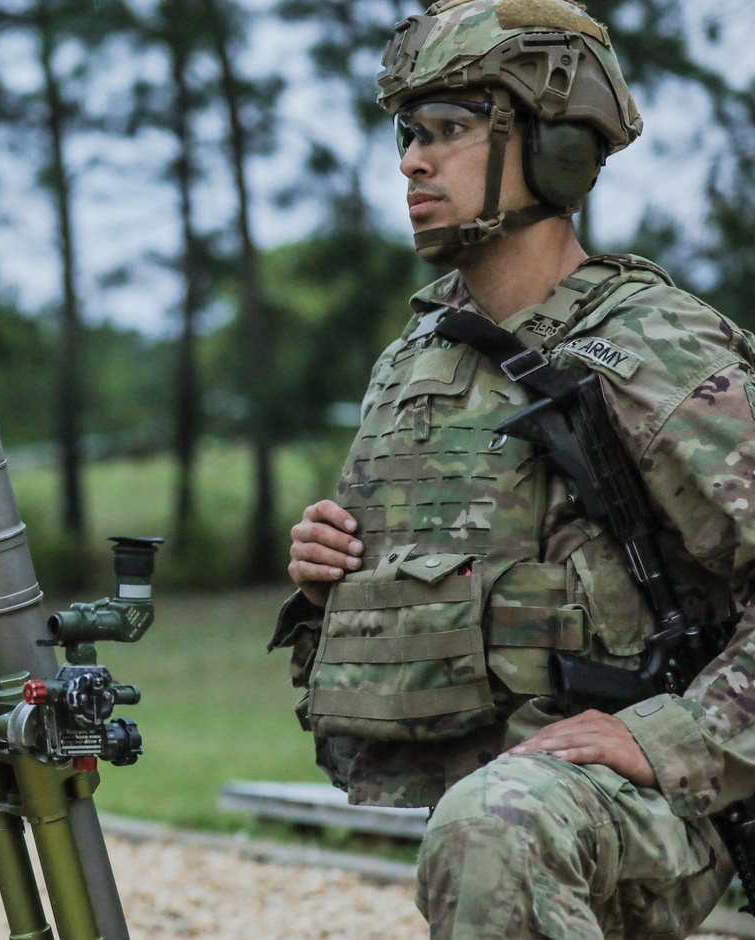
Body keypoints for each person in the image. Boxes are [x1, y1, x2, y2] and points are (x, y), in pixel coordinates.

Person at [269, 1, 755, 937]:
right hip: (505, 789)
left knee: (496, 828)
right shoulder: (422, 356)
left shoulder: (652, 348)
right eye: (409, 133)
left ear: (555, 150)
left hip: (658, 795)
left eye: (450, 131)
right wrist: (332, 571)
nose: (411, 159)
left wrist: (671, 735)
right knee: (491, 824)